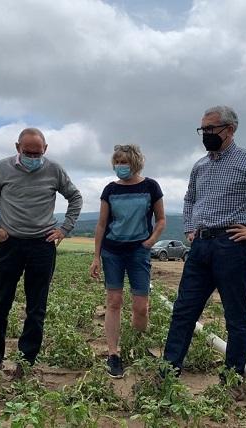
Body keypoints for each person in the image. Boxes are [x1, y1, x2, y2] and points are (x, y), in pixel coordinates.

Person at [163, 106, 246, 380]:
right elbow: (189, 199)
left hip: (232, 246)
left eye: (211, 129)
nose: (206, 134)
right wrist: (190, 228)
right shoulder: (200, 166)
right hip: (200, 246)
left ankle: (232, 379)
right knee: (183, 310)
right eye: (203, 130)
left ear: (230, 129)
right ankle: (168, 371)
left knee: (235, 316)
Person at [0, 127, 83, 382]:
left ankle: (25, 364)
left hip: (42, 245)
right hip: (9, 243)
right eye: (27, 152)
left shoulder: (54, 170)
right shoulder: (1, 168)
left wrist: (64, 229)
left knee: (36, 308)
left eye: (37, 152)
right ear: (17, 148)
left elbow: (75, 198)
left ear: (45, 149)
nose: (33, 157)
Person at [89, 144, 165, 378]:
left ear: (135, 163)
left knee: (141, 306)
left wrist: (151, 241)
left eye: (125, 162)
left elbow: (160, 219)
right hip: (112, 251)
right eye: (117, 162)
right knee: (114, 301)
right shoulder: (110, 190)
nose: (121, 166)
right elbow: (102, 224)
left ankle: (138, 344)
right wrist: (96, 257)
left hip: (138, 251)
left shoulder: (150, 186)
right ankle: (114, 354)